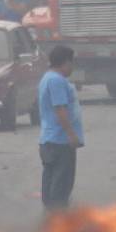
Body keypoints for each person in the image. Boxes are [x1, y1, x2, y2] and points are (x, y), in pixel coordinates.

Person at [36, 42, 84, 213]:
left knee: (51, 182)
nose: (72, 67)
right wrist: (71, 135)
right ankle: (57, 222)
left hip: (49, 140)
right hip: (60, 141)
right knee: (61, 185)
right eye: (71, 63)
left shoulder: (47, 78)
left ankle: (50, 217)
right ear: (65, 62)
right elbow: (60, 109)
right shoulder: (57, 81)